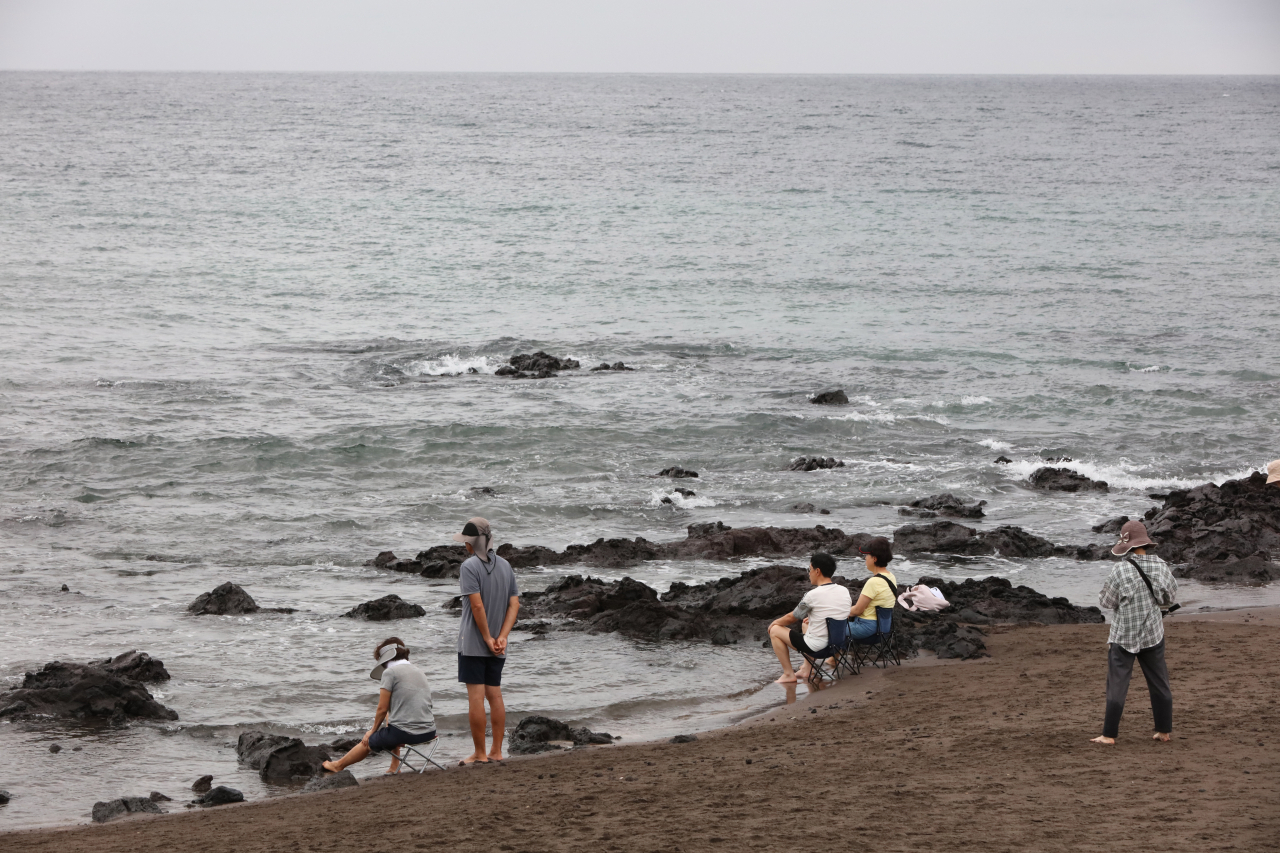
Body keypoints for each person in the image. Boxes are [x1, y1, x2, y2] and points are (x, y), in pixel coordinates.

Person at [1091, 520, 1177, 745]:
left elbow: (1106, 601)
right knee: (1159, 682)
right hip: (1153, 632)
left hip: (1123, 635)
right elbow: (1170, 598)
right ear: (1145, 543)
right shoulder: (1161, 566)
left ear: (1127, 544)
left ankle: (1108, 735)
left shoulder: (1121, 569)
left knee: (1118, 684)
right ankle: (1163, 731)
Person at [454, 516, 520, 765]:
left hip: (474, 642)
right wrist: (502, 637)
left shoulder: (469, 567)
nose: (464, 546)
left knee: (476, 698)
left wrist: (486, 637)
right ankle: (497, 750)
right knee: (495, 696)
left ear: (471, 543)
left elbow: (477, 604)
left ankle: (480, 753)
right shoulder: (505, 565)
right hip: (498, 645)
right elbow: (514, 604)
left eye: (466, 542)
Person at [322, 637, 436, 774]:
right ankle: (395, 766)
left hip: (407, 735)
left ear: (385, 658)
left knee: (368, 741)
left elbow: (381, 708)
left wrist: (372, 731)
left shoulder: (390, 673)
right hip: (429, 732)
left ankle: (338, 765)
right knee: (392, 717)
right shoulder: (418, 671)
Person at [767, 553, 852, 684]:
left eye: (809, 569)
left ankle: (788, 674)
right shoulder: (844, 591)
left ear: (817, 571)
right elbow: (835, 614)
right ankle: (807, 669)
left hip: (818, 647)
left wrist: (774, 623)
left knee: (775, 631)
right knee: (805, 624)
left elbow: (793, 617)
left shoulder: (812, 595)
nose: (808, 573)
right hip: (837, 644)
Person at [848, 536, 898, 641]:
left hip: (866, 629)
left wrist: (839, 613)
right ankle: (833, 658)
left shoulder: (874, 582)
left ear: (874, 559)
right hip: (883, 630)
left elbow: (857, 610)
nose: (865, 558)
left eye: (867, 555)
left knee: (828, 628)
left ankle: (812, 657)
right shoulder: (891, 577)